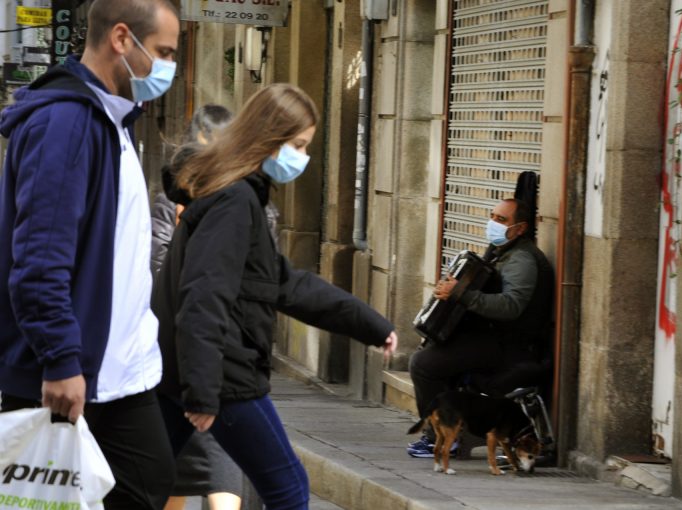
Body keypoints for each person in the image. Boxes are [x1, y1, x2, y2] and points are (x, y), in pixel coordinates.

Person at [152, 83, 398, 510]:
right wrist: (204, 391)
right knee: (287, 488)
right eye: (298, 144)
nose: (301, 157)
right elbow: (203, 296)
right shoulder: (234, 200)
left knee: (141, 489)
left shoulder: (236, 195)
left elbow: (287, 284)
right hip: (223, 375)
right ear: (268, 139)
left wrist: (370, 325)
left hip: (190, 372)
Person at [0, 0, 180, 507]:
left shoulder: (110, 119)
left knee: (148, 480)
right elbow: (39, 258)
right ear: (122, 39)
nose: (168, 67)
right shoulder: (68, 123)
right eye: (163, 52)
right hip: (72, 369)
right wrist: (59, 359)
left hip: (115, 370)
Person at [151, 105, 248, 510]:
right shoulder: (167, 205)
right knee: (177, 468)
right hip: (176, 351)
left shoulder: (246, 200)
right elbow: (160, 269)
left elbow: (261, 273)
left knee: (219, 459)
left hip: (224, 348)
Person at [406, 198, 554, 458]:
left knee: (424, 364)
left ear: (520, 229)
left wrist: (461, 294)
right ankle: (451, 430)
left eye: (501, 220)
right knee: (434, 348)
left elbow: (510, 306)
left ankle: (440, 438)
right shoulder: (503, 252)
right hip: (493, 338)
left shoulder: (523, 260)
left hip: (509, 346)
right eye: (492, 217)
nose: (493, 224)